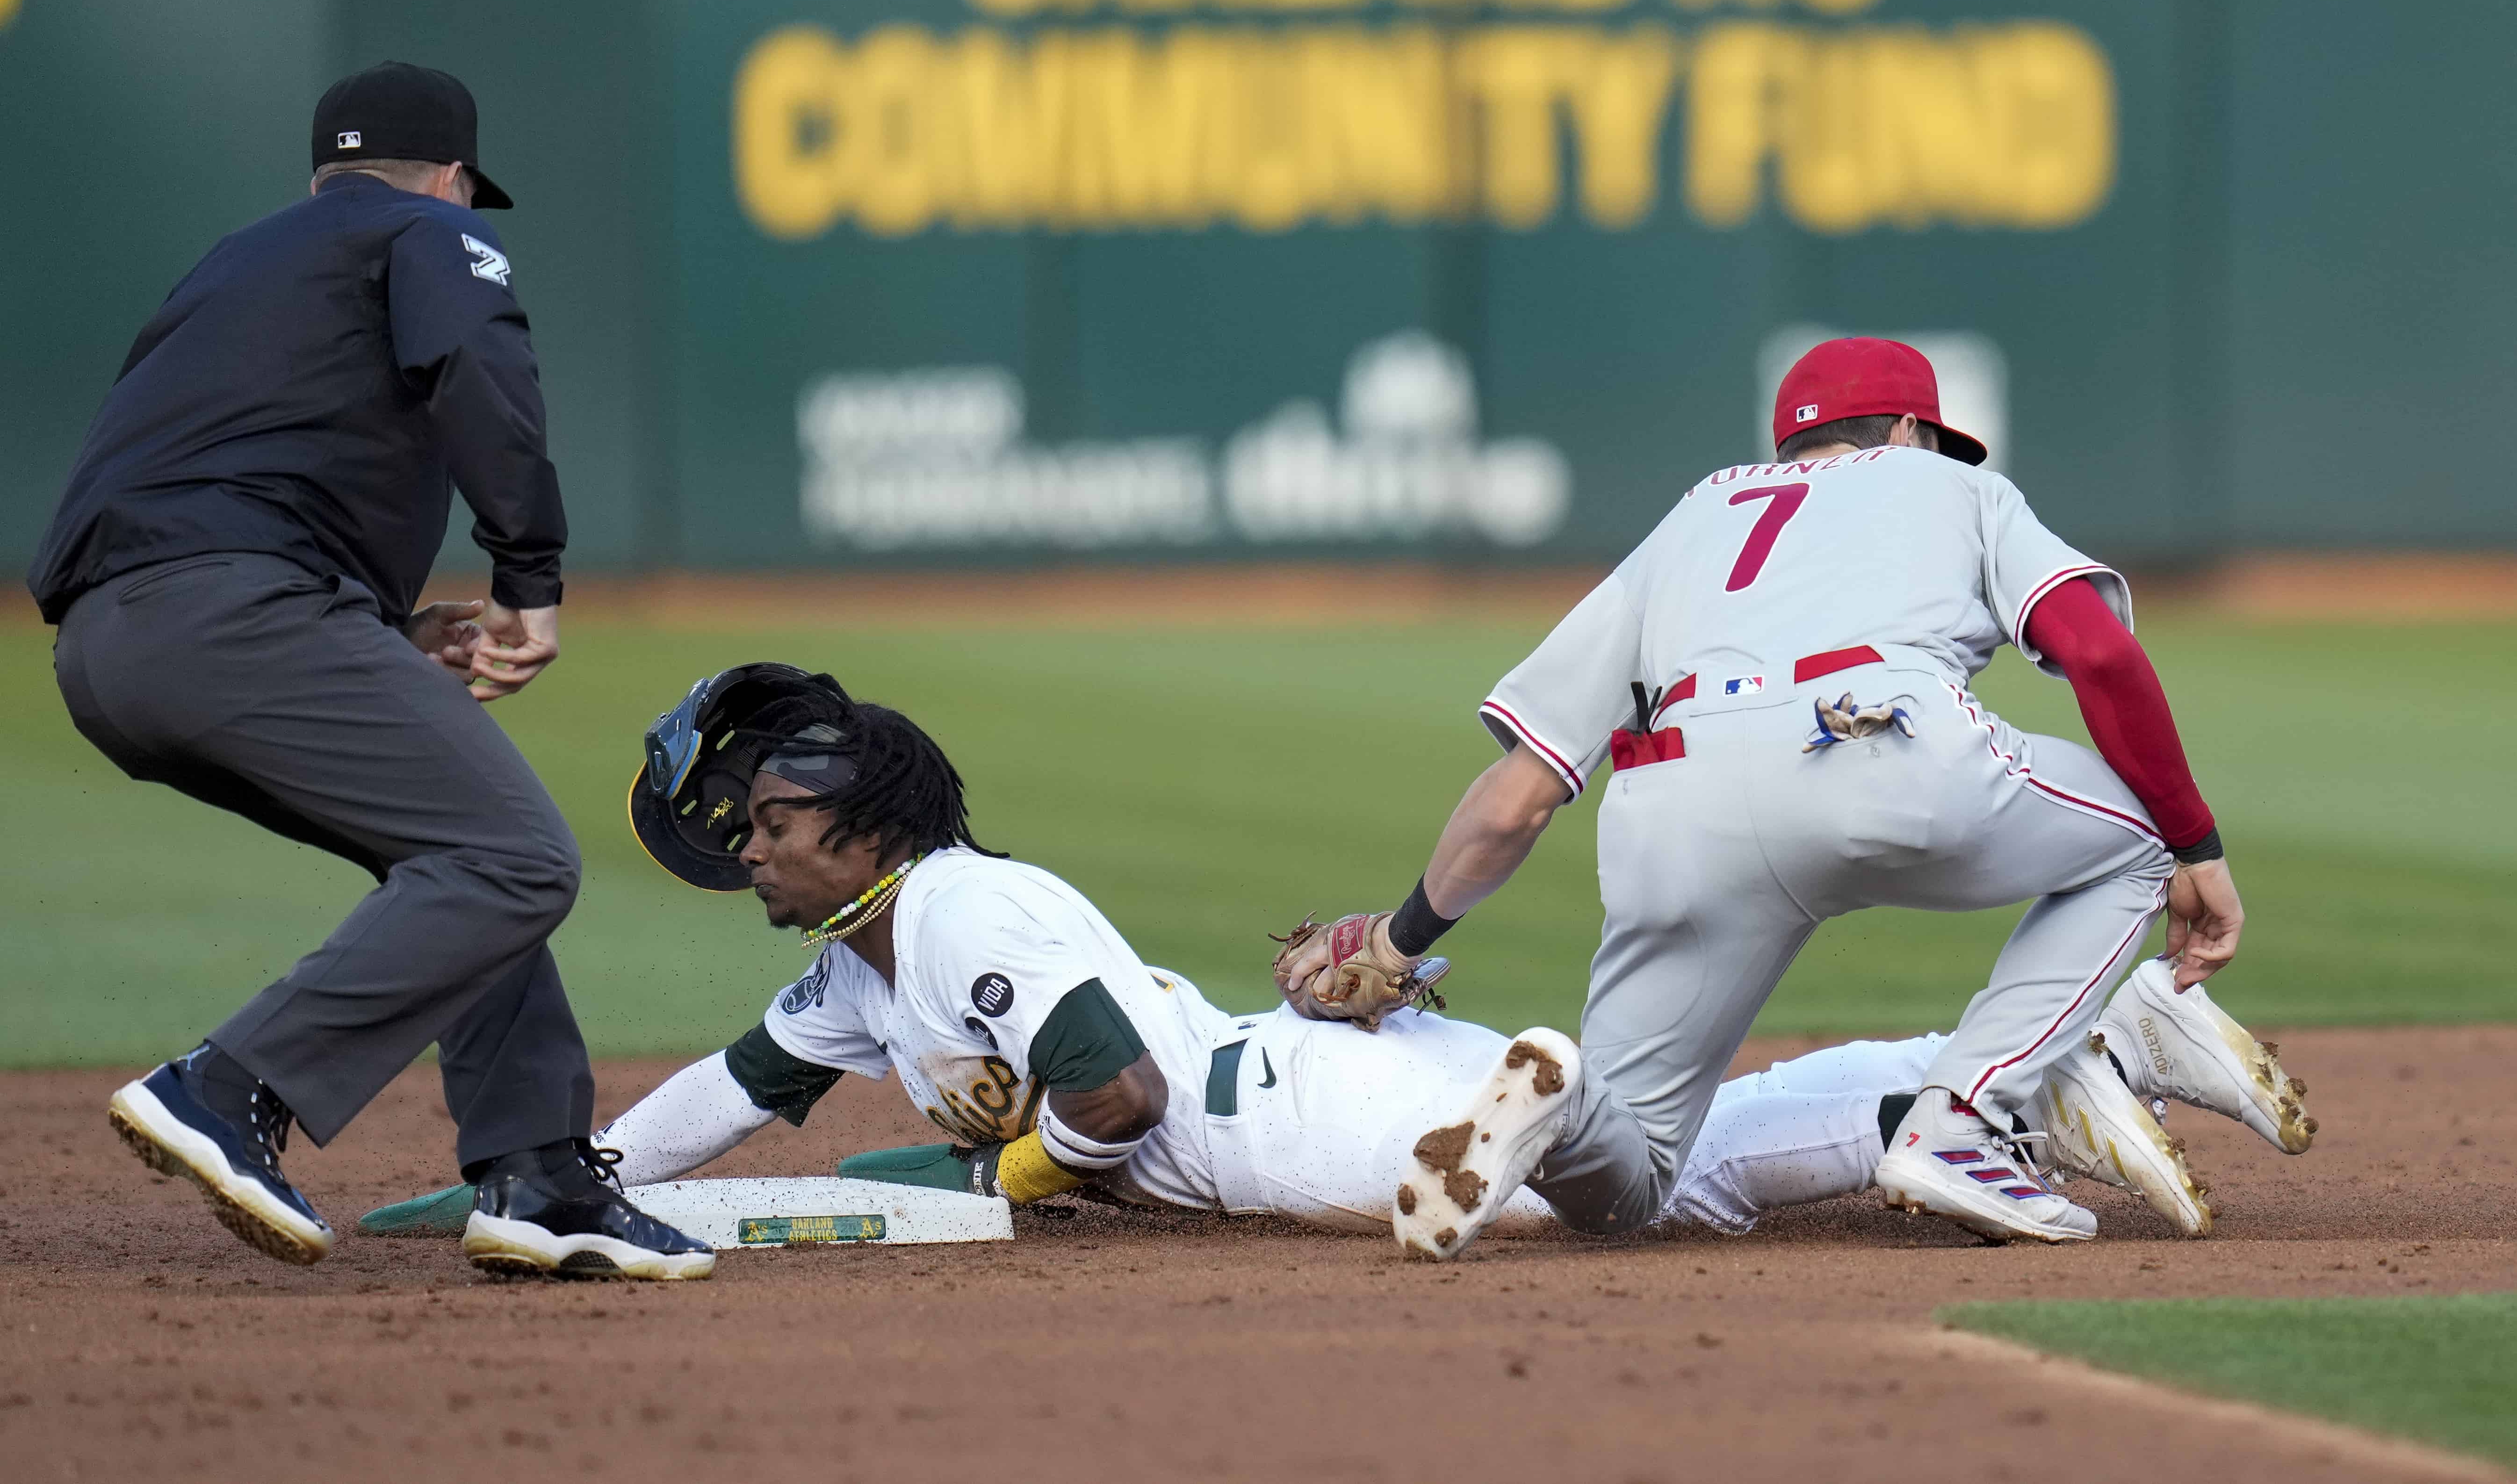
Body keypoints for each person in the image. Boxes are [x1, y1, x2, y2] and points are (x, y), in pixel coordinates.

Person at [361, 664, 2308, 1248]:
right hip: (1292, 1089)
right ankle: (2065, 1044)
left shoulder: (957, 908)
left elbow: (1110, 1103)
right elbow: (728, 1101)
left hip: (1257, 1124)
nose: (750, 855)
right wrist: (542, 1189)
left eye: (772, 828)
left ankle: (1503, 1123)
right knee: (1694, 1166)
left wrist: (1013, 1172)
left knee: (1617, 1191)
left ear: (855, 828)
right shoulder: (869, 953)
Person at [1275, 336, 2297, 1260]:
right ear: (1906, 431)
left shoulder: (1695, 515)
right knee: (2138, 841)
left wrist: (1396, 943)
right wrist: (2195, 845)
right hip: (1879, 744)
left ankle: (1564, 1092)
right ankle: (1962, 1125)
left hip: (1672, 805)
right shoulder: (1956, 492)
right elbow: (2100, 654)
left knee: (1626, 1187)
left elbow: (1518, 798)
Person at [29, 62, 710, 1281]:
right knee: (519, 856)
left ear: (318, 177)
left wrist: (378, 631)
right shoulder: (431, 232)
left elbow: (208, 476)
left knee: (456, 851)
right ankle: (230, 1084)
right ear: (454, 181)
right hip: (238, 612)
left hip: (115, 644)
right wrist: (529, 577)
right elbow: (480, 376)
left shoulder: (239, 262)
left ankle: (541, 1174)